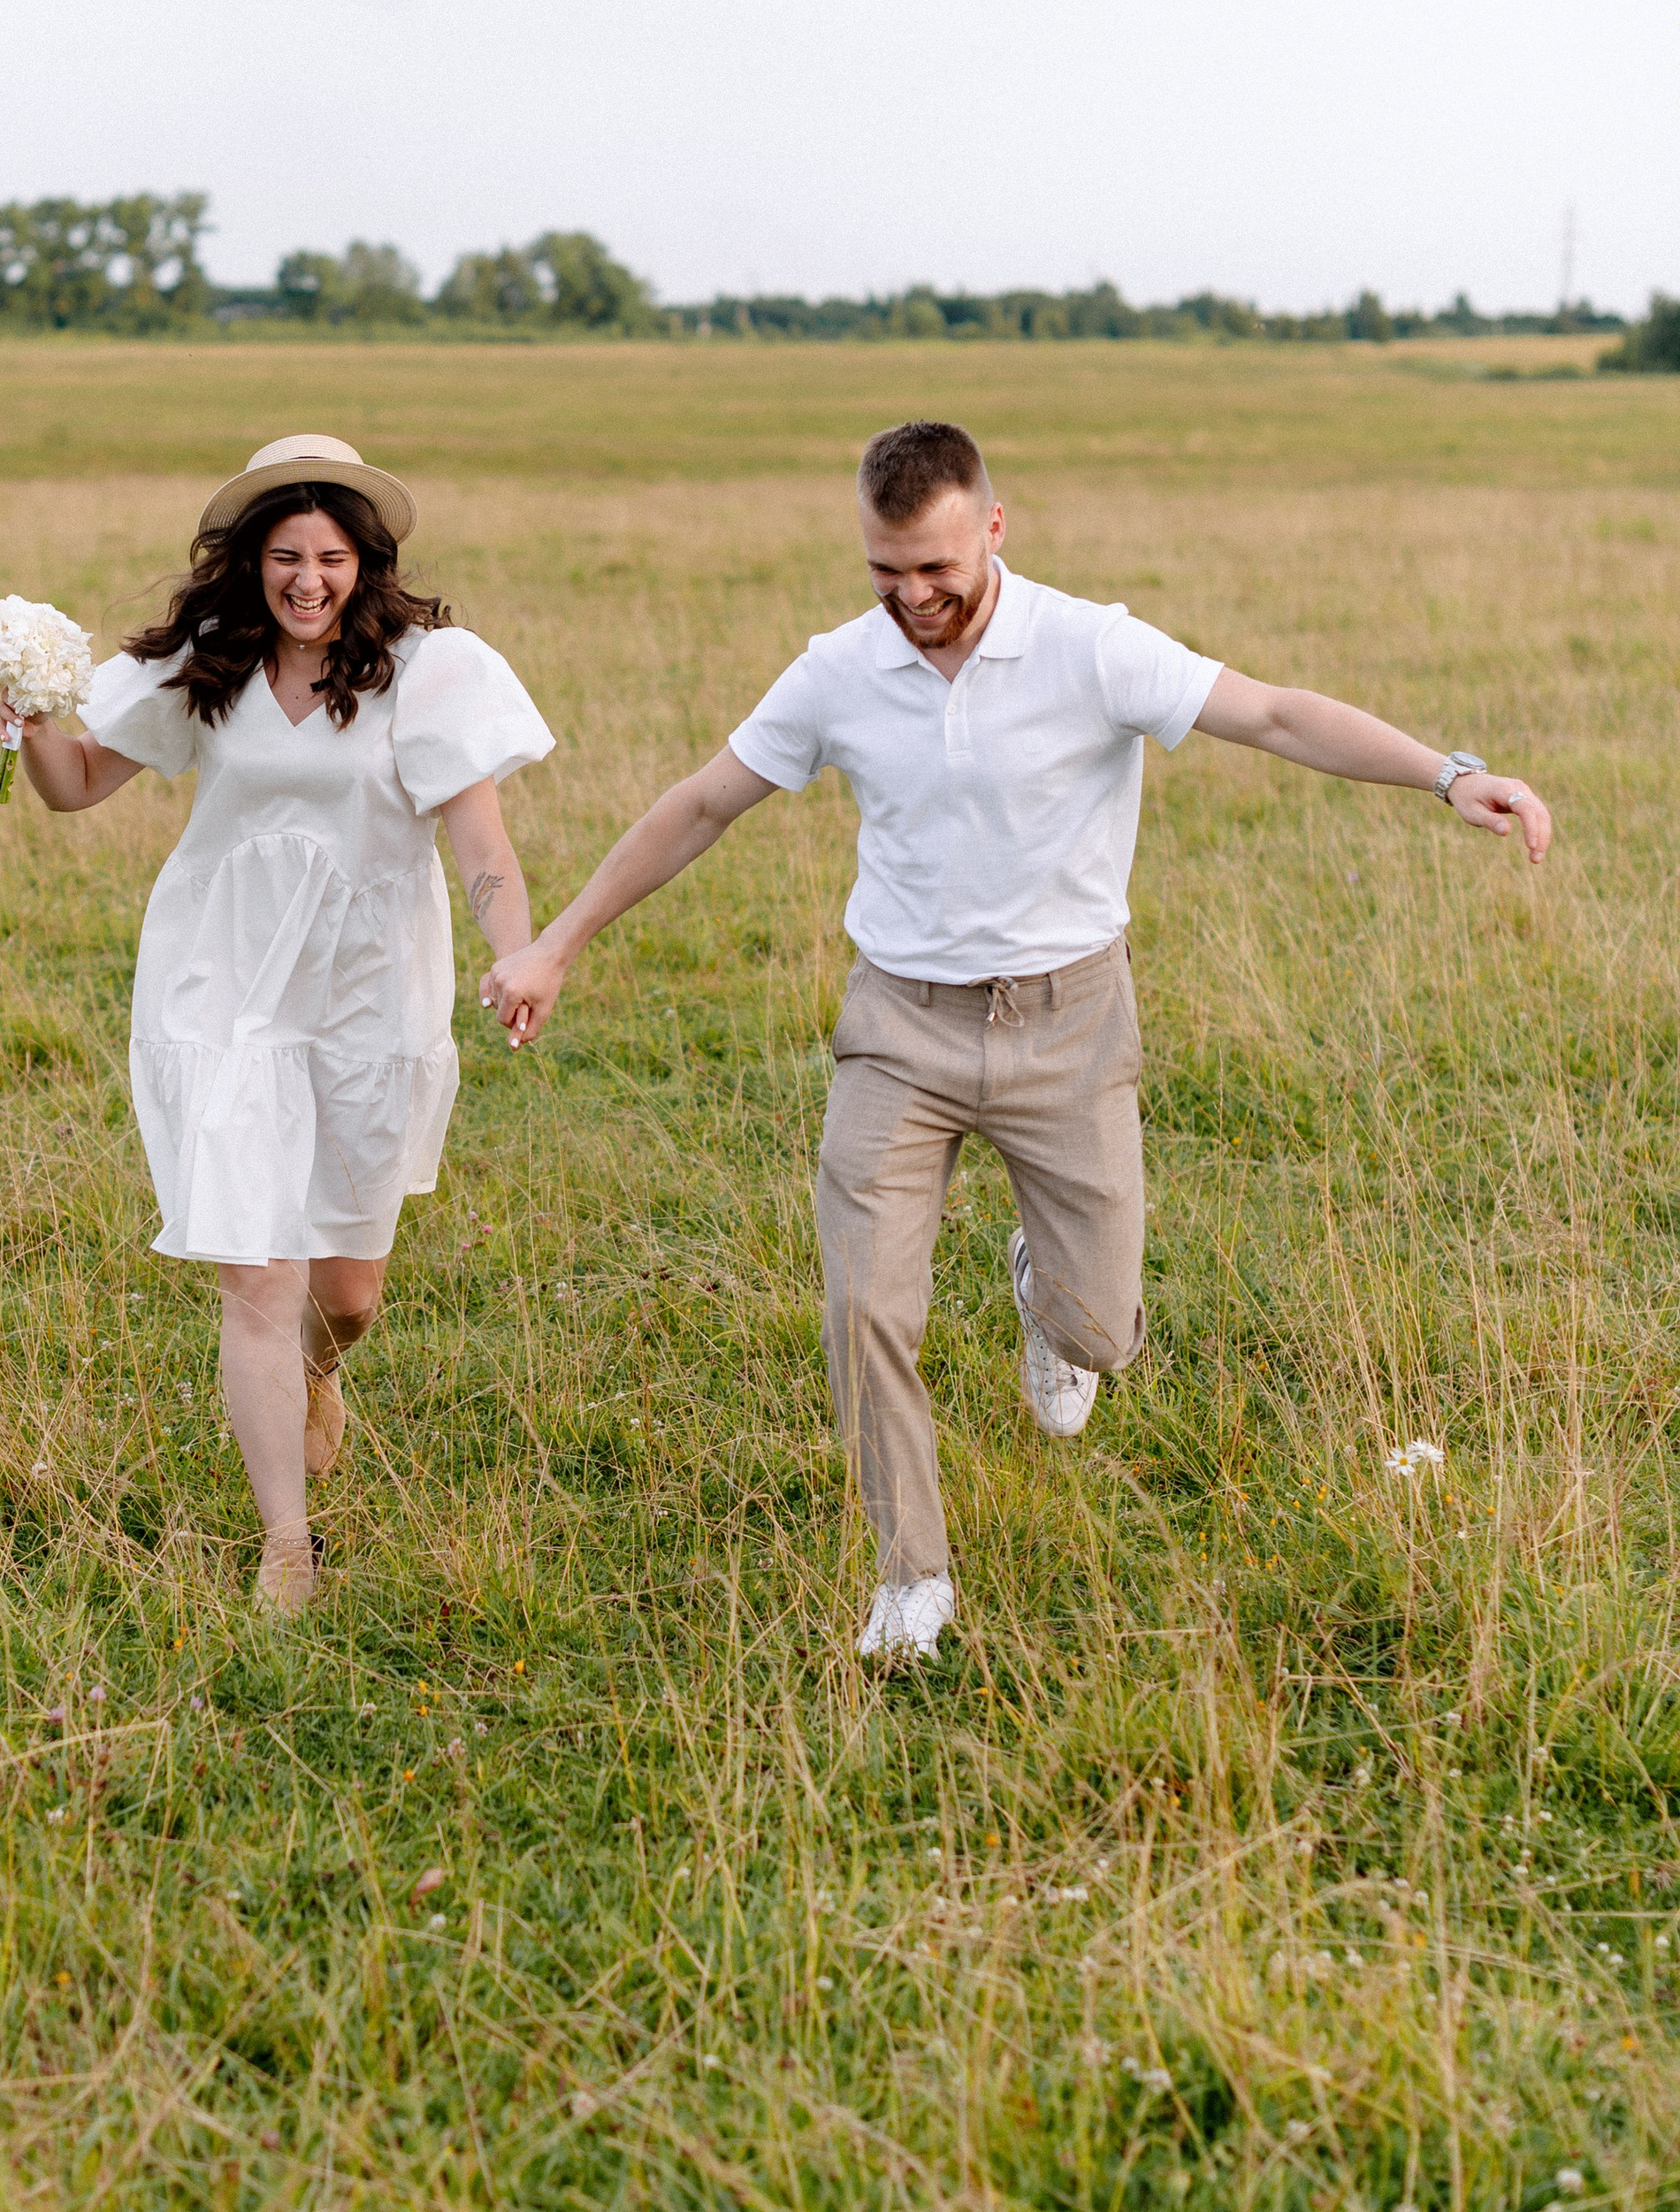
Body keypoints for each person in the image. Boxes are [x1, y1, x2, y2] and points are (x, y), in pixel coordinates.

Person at [481, 418, 1551, 1661]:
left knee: (1107, 1330)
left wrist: (1447, 773)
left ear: (993, 526)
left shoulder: (1092, 647)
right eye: (886, 574)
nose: (913, 599)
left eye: (936, 569)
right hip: (900, 1026)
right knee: (865, 1302)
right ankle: (913, 1577)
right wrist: (557, 943)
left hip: (1070, 1022)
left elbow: (1274, 714)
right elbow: (706, 802)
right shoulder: (838, 669)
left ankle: (1049, 1302)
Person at [6, 434, 553, 1614]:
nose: (308, 579)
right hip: (221, 988)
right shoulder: (210, 662)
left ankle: (319, 1371)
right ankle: (286, 1545)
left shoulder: (430, 670)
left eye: (332, 557)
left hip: (364, 997)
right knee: (256, 1272)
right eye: (285, 556)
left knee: (345, 1296)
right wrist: (32, 716)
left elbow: (482, 841)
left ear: (368, 564)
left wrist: (516, 949)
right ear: (250, 561)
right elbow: (73, 785)